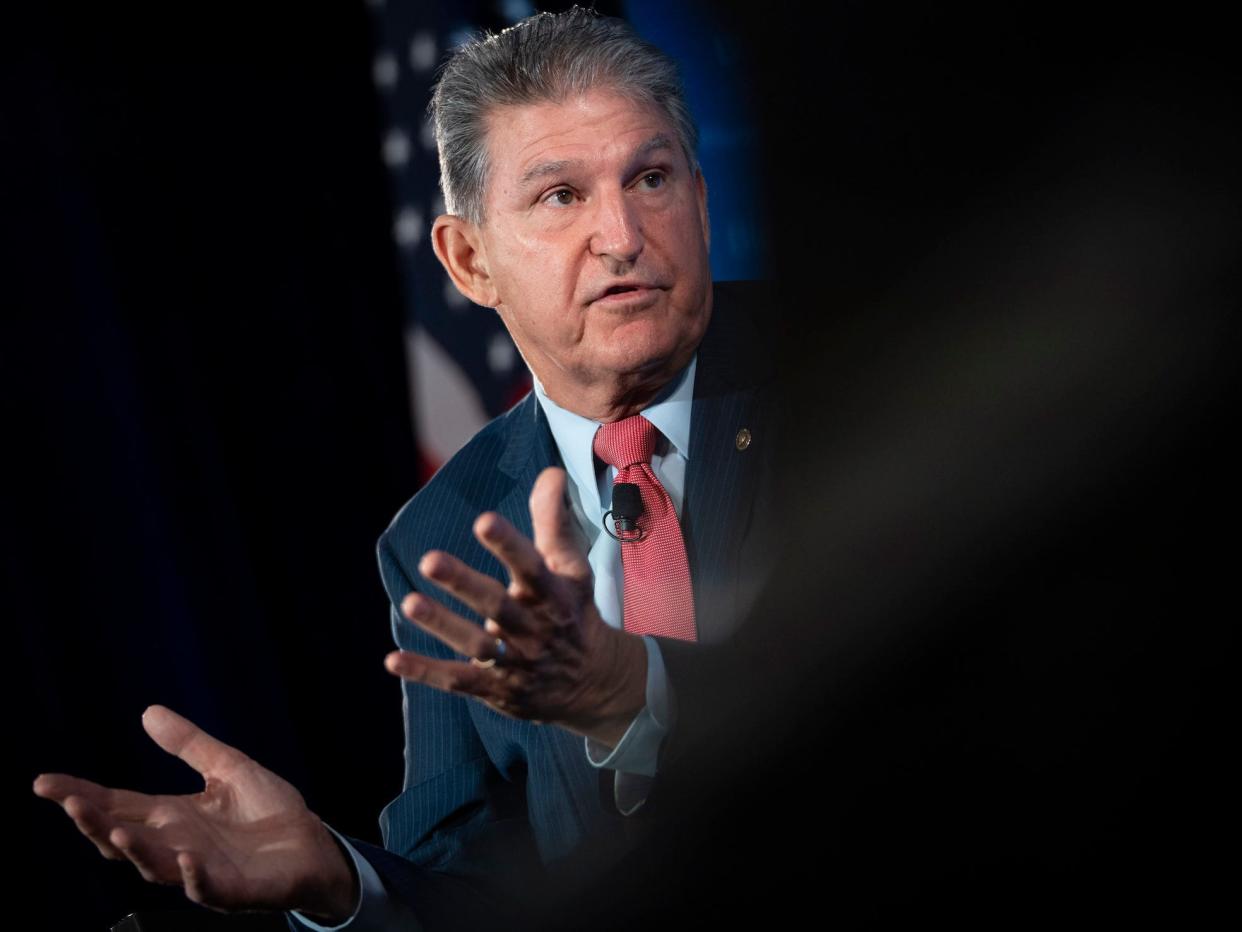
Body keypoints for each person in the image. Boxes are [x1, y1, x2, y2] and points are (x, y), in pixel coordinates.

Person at [33, 9, 780, 930]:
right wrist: (340, 879)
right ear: (470, 261)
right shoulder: (441, 532)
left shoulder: (839, 365)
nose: (622, 234)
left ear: (703, 202)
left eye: (651, 177)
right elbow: (477, 883)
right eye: (560, 196)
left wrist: (633, 694)